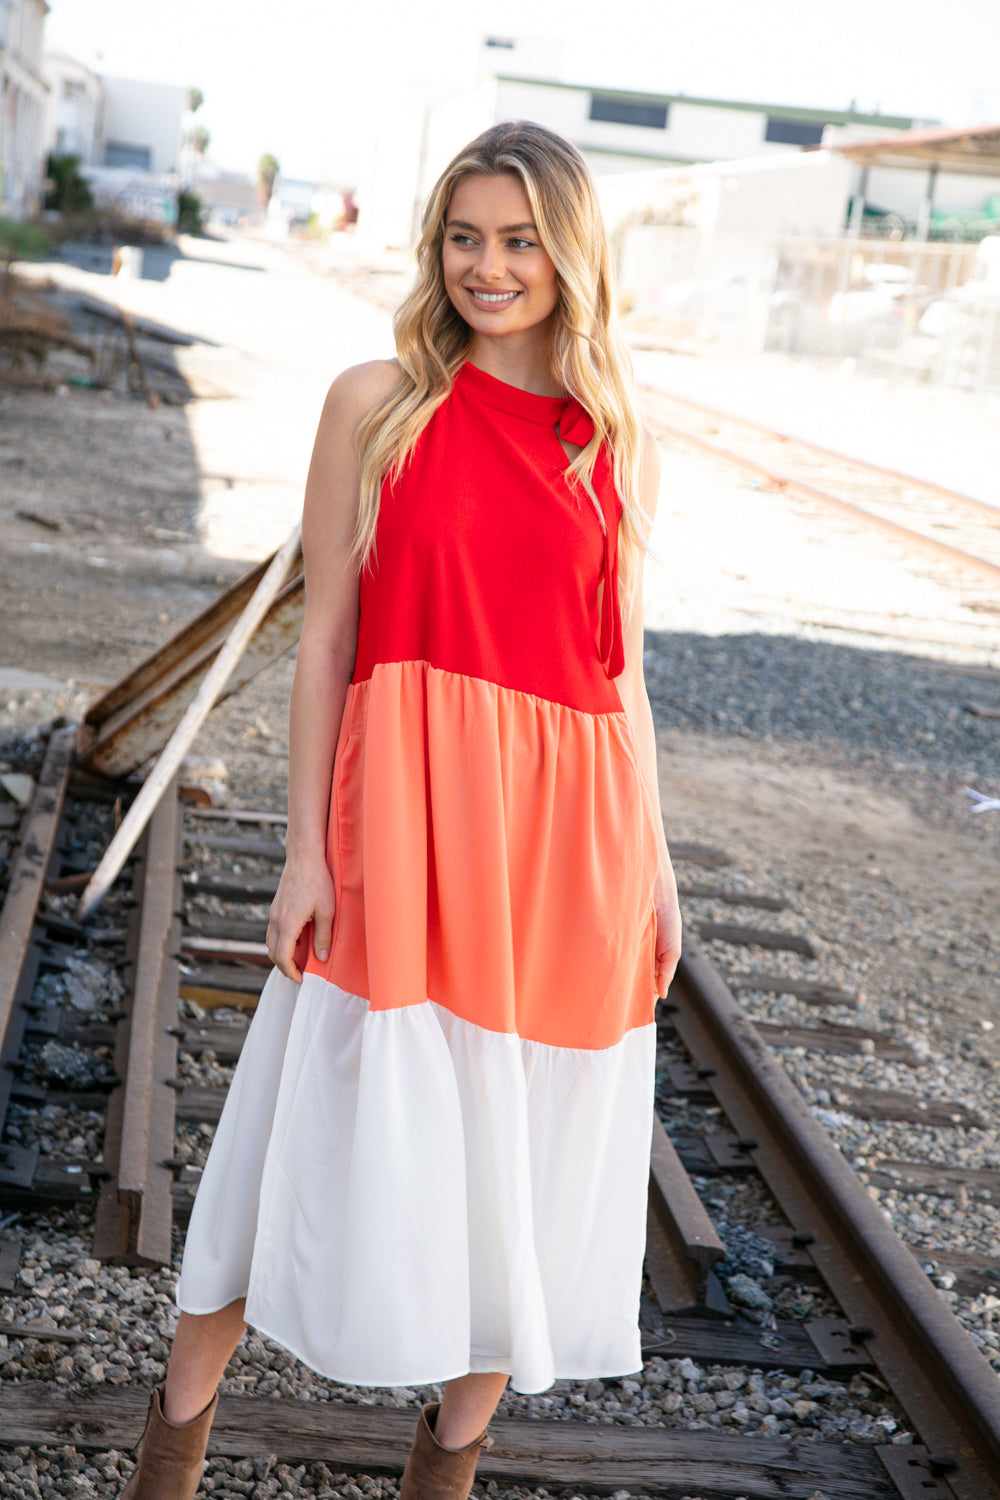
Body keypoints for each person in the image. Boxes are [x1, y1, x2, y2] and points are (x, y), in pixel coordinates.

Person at [121, 120, 682, 1500]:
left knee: (524, 1189)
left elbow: (627, 673)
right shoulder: (377, 401)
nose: (489, 267)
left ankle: (446, 1474)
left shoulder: (613, 438)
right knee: (290, 1136)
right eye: (465, 237)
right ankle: (167, 1467)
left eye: (520, 240)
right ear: (437, 249)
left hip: (572, 846)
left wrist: (660, 874)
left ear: (570, 255)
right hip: (412, 818)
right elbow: (324, 642)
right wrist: (305, 850)